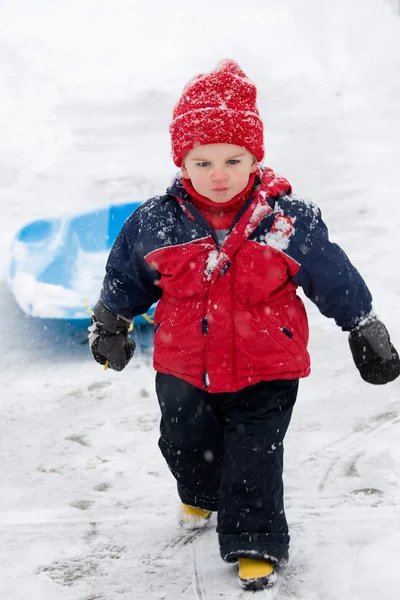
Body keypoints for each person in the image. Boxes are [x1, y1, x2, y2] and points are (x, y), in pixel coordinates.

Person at [88, 59, 400, 591]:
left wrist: (361, 324)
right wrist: (112, 321)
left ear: (255, 157)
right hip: (183, 365)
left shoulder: (285, 222)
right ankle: (201, 488)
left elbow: (333, 275)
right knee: (184, 440)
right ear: (182, 162)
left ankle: (255, 539)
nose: (219, 173)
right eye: (202, 160)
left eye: (234, 159)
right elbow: (127, 277)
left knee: (255, 454)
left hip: (266, 366)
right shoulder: (153, 222)